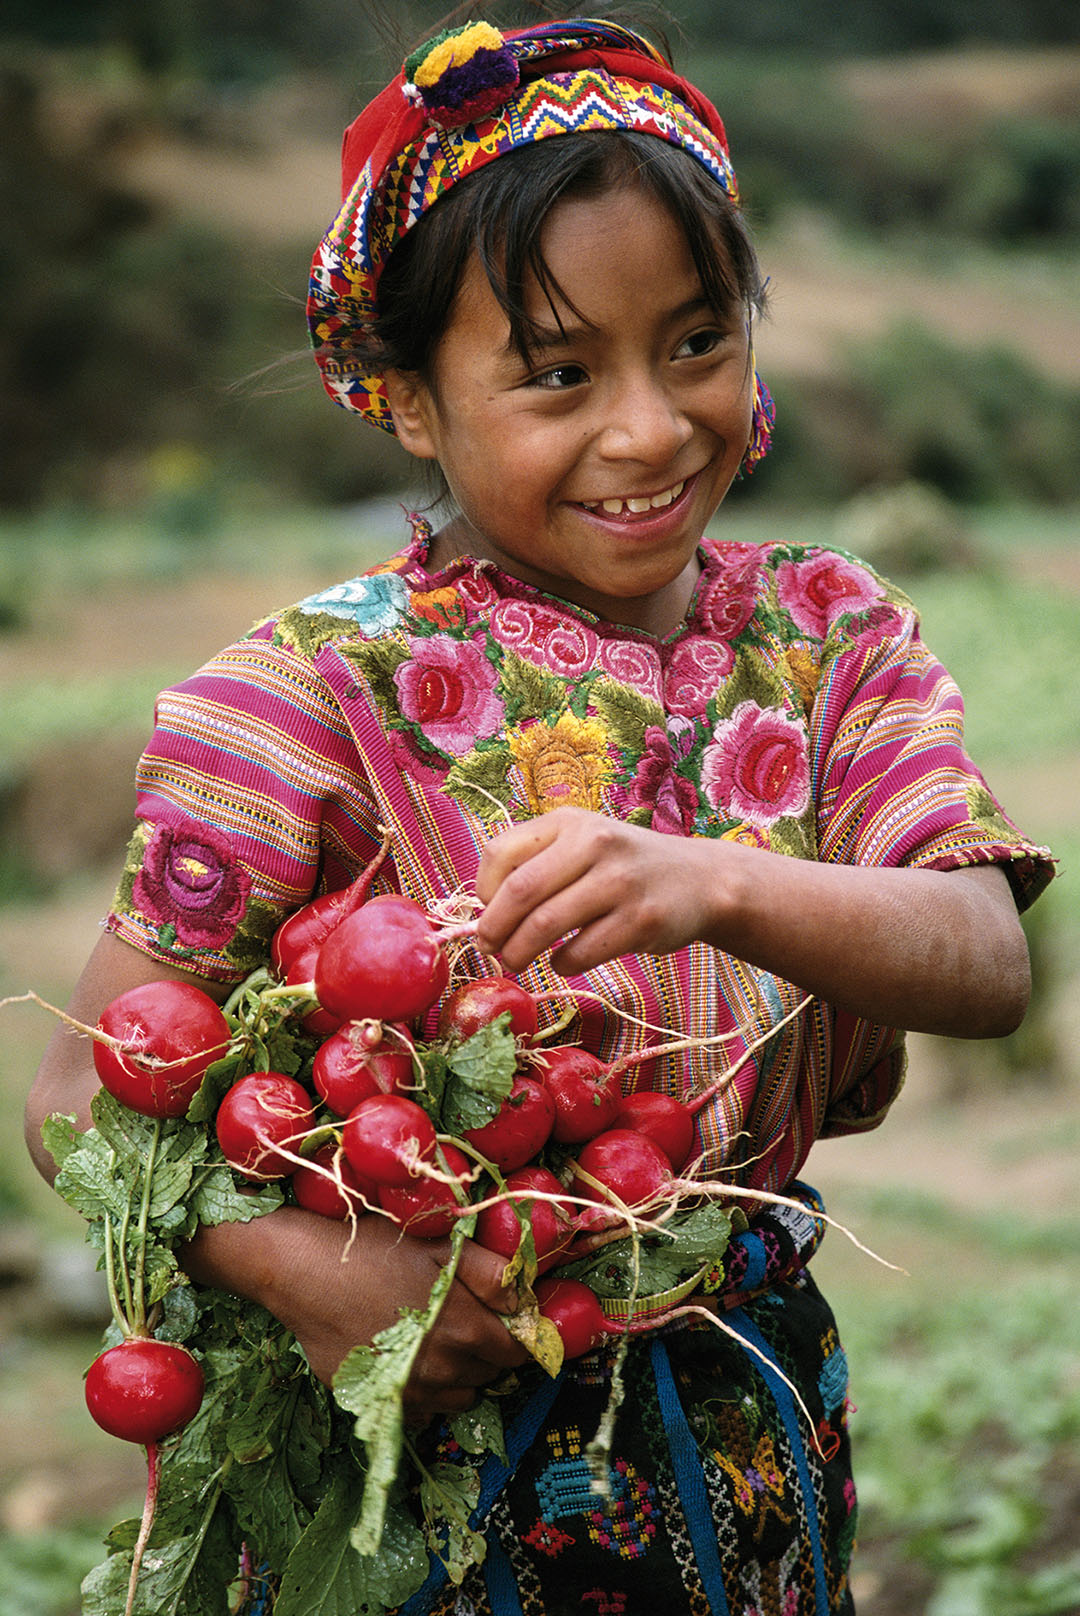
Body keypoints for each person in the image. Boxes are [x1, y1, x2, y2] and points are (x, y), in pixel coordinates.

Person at [25, 15, 1054, 1614]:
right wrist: (308, 1270)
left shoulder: (834, 642)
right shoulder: (311, 691)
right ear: (412, 403)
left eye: (698, 342)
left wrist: (714, 880)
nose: (649, 427)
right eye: (560, 373)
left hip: (745, 1426)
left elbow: (987, 960)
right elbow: (86, 1092)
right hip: (398, 1478)